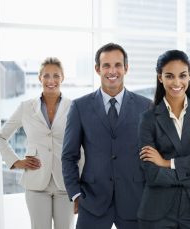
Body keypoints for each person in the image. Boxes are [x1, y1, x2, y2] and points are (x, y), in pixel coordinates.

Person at [61, 42, 152, 229]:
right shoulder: (80, 107)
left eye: (118, 65)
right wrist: (76, 193)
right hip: (92, 200)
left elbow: (155, 153)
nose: (112, 71)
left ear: (126, 68)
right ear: (97, 69)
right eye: (106, 65)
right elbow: (69, 156)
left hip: (135, 200)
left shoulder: (145, 106)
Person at [137, 49, 190, 228]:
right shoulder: (148, 119)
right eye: (169, 76)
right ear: (160, 77)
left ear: (189, 76)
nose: (177, 82)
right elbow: (152, 174)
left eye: (182, 75)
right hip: (158, 212)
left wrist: (167, 163)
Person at [0, 57, 75, 229]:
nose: (51, 80)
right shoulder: (26, 107)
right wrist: (16, 161)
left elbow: (83, 146)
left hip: (66, 183)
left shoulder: (74, 107)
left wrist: (79, 184)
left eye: (56, 75)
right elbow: (0, 137)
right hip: (36, 182)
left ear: (62, 78)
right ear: (40, 78)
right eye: (46, 76)